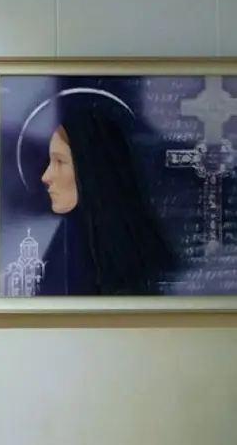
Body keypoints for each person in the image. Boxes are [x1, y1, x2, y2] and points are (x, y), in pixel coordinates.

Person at [36, 93, 179, 296]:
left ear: (90, 168)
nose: (46, 176)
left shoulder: (132, 268)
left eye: (59, 161)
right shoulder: (64, 247)